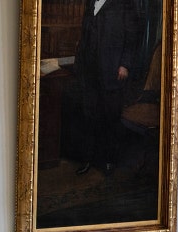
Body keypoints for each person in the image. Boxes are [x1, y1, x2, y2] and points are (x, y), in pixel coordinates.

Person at [73, 0, 141, 175]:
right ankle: (88, 159)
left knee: (110, 116)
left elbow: (132, 35)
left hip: (111, 69)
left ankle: (109, 160)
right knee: (88, 115)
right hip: (89, 69)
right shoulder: (90, 3)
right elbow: (86, 32)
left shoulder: (125, 3)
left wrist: (125, 64)